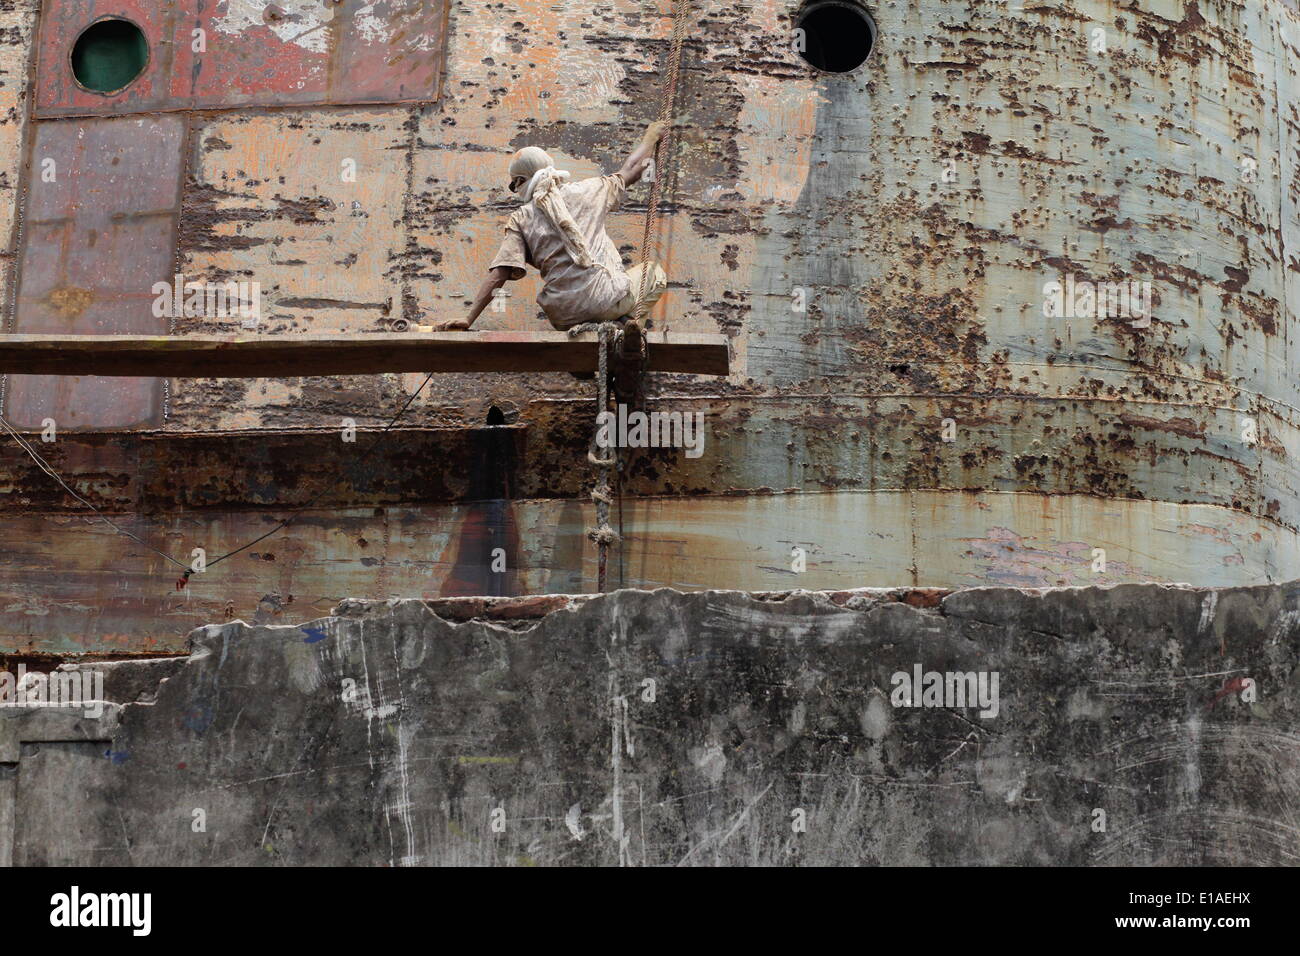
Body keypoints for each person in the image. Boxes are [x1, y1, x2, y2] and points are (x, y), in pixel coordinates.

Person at [434, 121, 670, 332]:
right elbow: (633, 168)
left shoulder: (521, 218)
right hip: (603, 301)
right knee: (654, 273)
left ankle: (595, 347)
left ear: (519, 182)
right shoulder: (590, 190)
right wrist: (650, 137)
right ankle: (627, 327)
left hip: (563, 316)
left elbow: (500, 273)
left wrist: (468, 318)